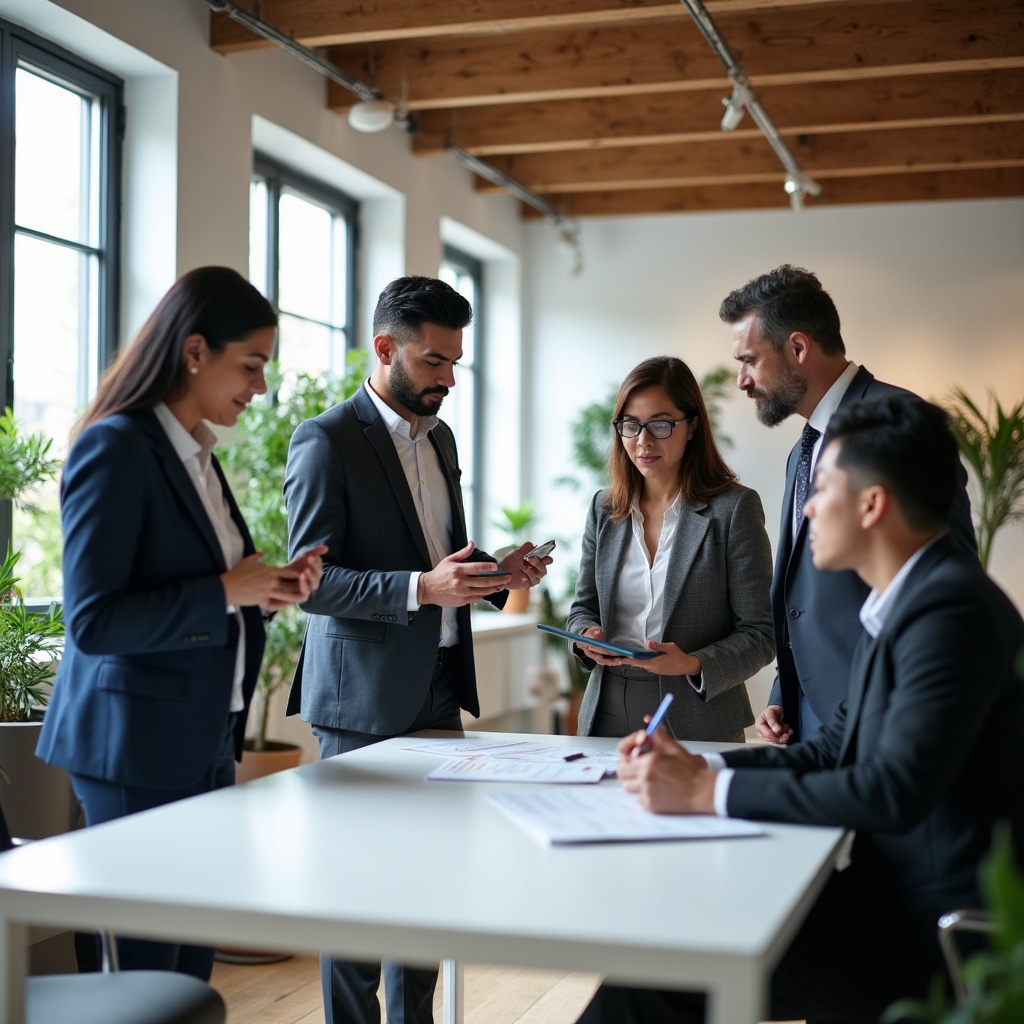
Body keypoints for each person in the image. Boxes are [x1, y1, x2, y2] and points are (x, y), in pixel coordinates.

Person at [575, 394, 1024, 1024]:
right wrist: (707, 774)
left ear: (872, 504)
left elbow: (890, 791)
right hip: (883, 896)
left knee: (654, 980)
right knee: (670, 946)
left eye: (822, 490)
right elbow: (831, 749)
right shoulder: (903, 603)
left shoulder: (949, 614)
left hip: (925, 930)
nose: (807, 509)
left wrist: (706, 797)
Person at [36, 266, 325, 979]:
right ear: (195, 351)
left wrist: (265, 588)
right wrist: (227, 587)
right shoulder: (116, 447)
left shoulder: (197, 454)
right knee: (141, 966)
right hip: (132, 747)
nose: (260, 388)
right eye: (251, 365)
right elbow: (94, 622)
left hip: (201, 740)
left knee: (188, 960)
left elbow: (203, 588)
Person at [283, 275, 550, 1024]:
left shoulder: (443, 439)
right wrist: (419, 590)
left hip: (438, 687)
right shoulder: (325, 440)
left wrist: (497, 574)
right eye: (435, 362)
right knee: (357, 893)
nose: (449, 380)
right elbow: (310, 583)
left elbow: (437, 560)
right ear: (384, 348)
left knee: (429, 886)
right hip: (361, 703)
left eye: (456, 362)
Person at [719, 265, 976, 744]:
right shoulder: (803, 449)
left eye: (750, 360)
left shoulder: (900, 424)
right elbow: (802, 596)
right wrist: (784, 692)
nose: (742, 381)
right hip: (815, 724)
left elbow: (949, 576)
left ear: (798, 347)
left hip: (889, 720)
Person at [566, 356, 774, 741]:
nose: (643, 440)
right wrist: (586, 637)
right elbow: (582, 608)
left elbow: (761, 634)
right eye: (631, 425)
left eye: (661, 424)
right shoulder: (604, 508)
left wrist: (693, 663)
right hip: (605, 709)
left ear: (692, 426)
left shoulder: (734, 509)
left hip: (697, 712)